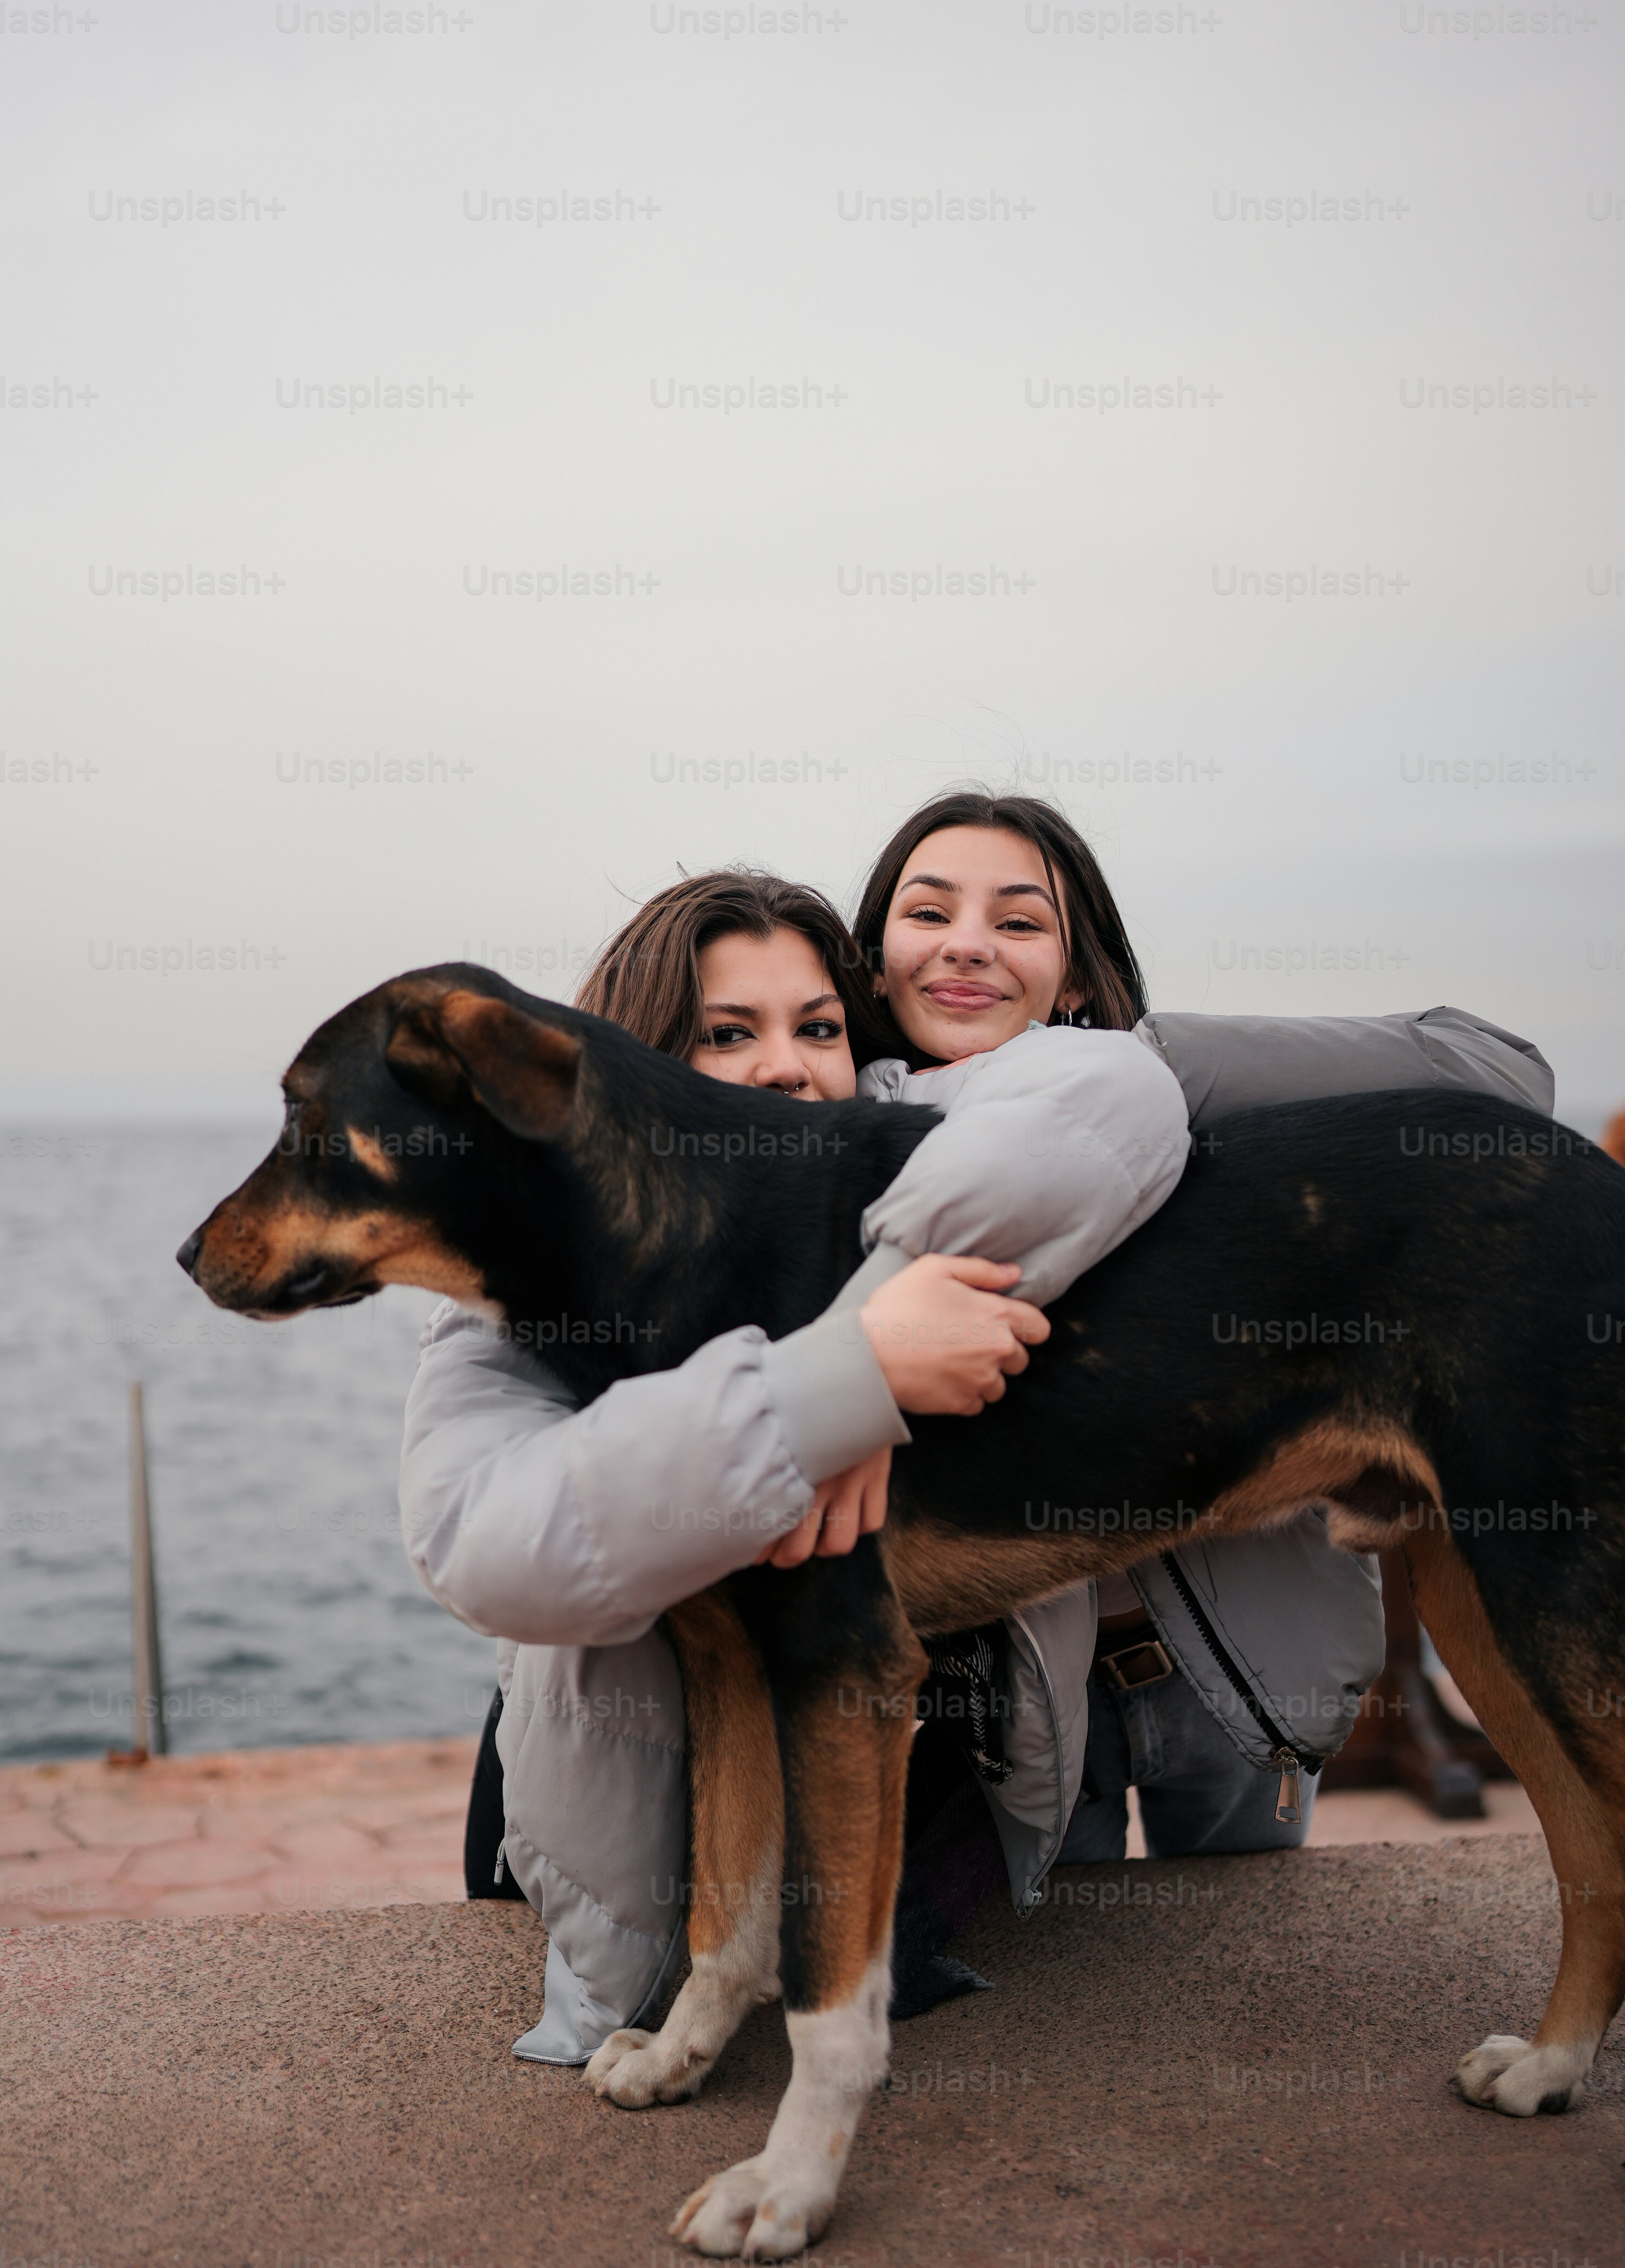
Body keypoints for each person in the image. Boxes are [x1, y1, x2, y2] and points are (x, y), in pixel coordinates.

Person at [404, 795, 1557, 2057]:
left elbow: (1495, 1072)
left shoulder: (1062, 1091)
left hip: (1219, 1679)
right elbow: (488, 1537)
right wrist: (850, 1377)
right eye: (927, 911)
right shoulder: (595, 1254)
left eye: (1022, 920)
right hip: (749, 1790)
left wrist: (1121, 1057)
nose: (968, 943)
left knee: (1218, 1974)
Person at [402, 861, 1190, 2057]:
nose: (787, 1067)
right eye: (728, 1035)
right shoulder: (530, 1277)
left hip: (928, 1866)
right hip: (642, 1892)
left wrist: (886, 1285)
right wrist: (845, 1380)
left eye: (818, 1027)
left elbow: (1115, 1083)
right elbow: (487, 1545)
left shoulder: (899, 1157)